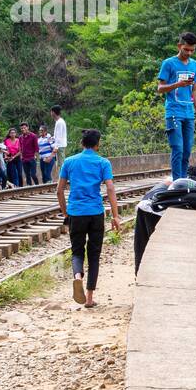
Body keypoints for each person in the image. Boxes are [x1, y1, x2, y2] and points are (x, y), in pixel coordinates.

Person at [57, 129, 120, 309]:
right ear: (97, 144)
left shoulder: (69, 162)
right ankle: (90, 298)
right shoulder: (103, 163)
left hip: (76, 213)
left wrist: (65, 212)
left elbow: (59, 190)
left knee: (77, 251)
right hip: (95, 213)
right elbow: (110, 189)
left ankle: (77, 277)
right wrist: (115, 215)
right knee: (94, 255)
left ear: (81, 143)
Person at [157, 31, 196, 182]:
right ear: (179, 46)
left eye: (192, 50)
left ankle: (183, 180)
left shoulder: (194, 64)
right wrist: (178, 84)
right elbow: (160, 88)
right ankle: (177, 181)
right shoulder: (169, 63)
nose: (189, 53)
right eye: (186, 49)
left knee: (187, 150)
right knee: (177, 148)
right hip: (173, 111)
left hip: (189, 113)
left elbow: (194, 90)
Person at [50, 106, 68, 173]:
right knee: (59, 164)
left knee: (61, 164)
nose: (51, 113)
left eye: (51, 112)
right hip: (59, 146)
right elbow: (57, 135)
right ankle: (61, 179)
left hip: (60, 146)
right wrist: (52, 138)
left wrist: (56, 147)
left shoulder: (60, 122)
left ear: (53, 112)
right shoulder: (58, 121)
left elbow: (59, 136)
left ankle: (63, 180)